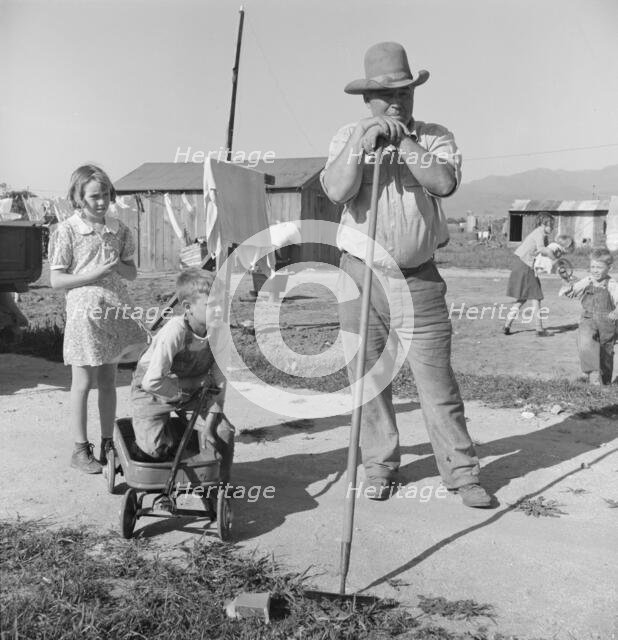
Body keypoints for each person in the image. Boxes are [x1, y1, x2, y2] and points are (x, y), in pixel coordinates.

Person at [321, 42, 491, 508]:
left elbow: (442, 183)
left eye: (405, 92)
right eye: (387, 94)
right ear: (367, 99)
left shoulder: (435, 135)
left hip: (419, 278)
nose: (397, 101)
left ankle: (461, 474)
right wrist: (363, 143)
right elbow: (336, 189)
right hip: (361, 278)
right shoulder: (346, 136)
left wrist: (402, 140)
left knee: (436, 383)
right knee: (370, 381)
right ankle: (379, 467)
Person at [49, 165, 148, 474]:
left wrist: (117, 266)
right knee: (82, 381)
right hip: (84, 317)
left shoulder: (119, 229)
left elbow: (131, 273)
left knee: (108, 380)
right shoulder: (68, 230)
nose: (101, 202)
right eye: (94, 196)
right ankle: (80, 449)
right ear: (78, 197)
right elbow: (56, 279)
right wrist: (97, 273)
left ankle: (109, 444)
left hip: (114, 313)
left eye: (105, 195)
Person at [130, 268, 235, 482]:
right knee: (155, 450)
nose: (218, 310)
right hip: (153, 392)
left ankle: (219, 484)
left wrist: (210, 425)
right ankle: (168, 433)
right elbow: (152, 381)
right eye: (210, 305)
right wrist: (187, 387)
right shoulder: (175, 331)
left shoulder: (220, 332)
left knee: (224, 431)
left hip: (193, 392)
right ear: (188, 307)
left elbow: (219, 382)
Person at [559, 247, 618, 385]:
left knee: (606, 351)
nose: (595, 270)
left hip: (607, 322)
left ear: (609, 268)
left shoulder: (612, 284)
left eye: (599, 267)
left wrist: (616, 312)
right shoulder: (588, 280)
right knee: (585, 343)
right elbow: (572, 292)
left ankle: (606, 382)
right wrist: (567, 283)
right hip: (588, 319)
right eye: (593, 266)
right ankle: (592, 375)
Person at [503, 213, 556, 337]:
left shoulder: (539, 234)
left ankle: (506, 325)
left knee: (522, 298)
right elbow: (543, 250)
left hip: (521, 265)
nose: (552, 228)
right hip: (526, 267)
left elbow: (541, 252)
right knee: (536, 297)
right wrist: (555, 259)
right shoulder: (539, 233)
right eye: (551, 225)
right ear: (544, 224)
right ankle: (539, 330)